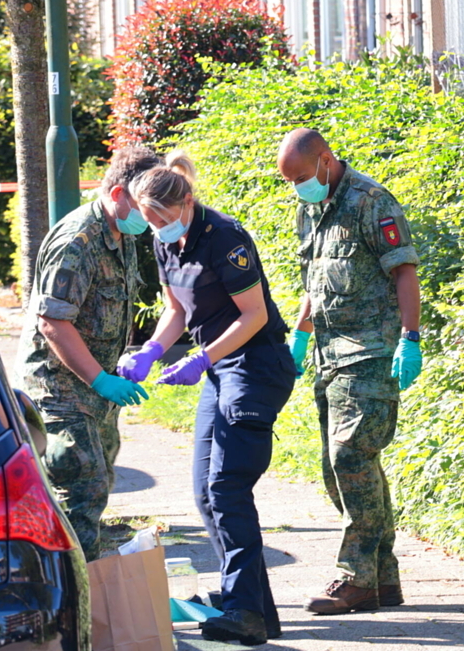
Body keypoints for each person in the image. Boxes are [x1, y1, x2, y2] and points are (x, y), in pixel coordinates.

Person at [117, 152, 295, 646]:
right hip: (220, 369)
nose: (157, 229)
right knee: (204, 491)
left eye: (162, 219)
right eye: (150, 222)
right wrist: (152, 350)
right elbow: (176, 309)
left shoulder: (225, 238)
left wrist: (200, 359)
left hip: (255, 366)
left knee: (227, 488)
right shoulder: (164, 242)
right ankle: (254, 607)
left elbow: (254, 315)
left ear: (187, 202)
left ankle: (244, 611)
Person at [276, 128, 423, 615]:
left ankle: (355, 577)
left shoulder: (371, 202)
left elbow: (404, 270)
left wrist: (410, 338)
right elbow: (315, 281)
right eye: (289, 181)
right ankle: (382, 577)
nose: (297, 187)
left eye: (300, 176)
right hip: (328, 356)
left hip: (371, 353)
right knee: (339, 469)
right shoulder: (309, 210)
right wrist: (299, 336)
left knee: (351, 458)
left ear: (325, 159)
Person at [15, 145, 161, 562]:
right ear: (117, 195)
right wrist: (100, 379)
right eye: (142, 202)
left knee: (99, 483)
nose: (149, 214)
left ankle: (90, 581)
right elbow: (52, 322)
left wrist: (122, 364)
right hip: (59, 391)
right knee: (82, 491)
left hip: (95, 390)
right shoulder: (77, 241)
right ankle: (74, 588)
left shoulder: (120, 233)